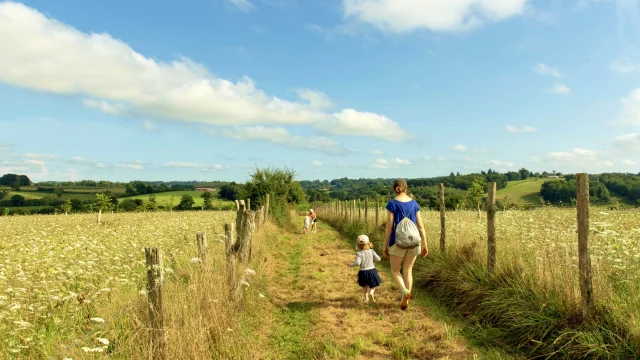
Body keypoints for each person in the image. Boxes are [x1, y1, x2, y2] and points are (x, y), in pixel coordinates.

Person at [383, 178, 429, 311]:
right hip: (414, 242)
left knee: (395, 270)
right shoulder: (414, 203)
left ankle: (404, 291)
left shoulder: (392, 203)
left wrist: (385, 245)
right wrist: (425, 244)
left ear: (394, 189)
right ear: (406, 188)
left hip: (397, 242)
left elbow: (389, 226)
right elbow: (420, 226)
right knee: (408, 270)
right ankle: (406, 298)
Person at [347, 234, 382, 303]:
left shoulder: (359, 253)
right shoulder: (371, 251)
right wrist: (372, 259)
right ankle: (371, 293)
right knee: (373, 285)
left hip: (363, 272)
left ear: (358, 245)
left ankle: (366, 298)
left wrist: (351, 264)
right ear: (369, 243)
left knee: (364, 286)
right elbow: (378, 259)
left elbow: (358, 263)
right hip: (372, 270)